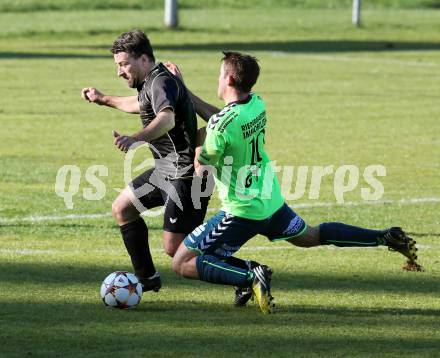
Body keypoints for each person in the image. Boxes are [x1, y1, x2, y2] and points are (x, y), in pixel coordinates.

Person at [165, 52, 421, 314]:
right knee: (310, 236)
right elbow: (222, 117)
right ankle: (385, 237)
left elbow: (203, 168)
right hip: (271, 202)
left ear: (229, 79)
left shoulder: (220, 126)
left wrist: (197, 149)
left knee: (183, 261)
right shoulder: (256, 104)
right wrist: (185, 92)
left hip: (241, 212)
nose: (217, 80)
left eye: (219, 75)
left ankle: (250, 276)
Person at [80, 29, 211, 293]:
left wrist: (136, 138)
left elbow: (166, 118)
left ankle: (244, 273)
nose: (120, 72)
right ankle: (146, 278)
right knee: (123, 209)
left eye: (123, 64)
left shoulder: (160, 82)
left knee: (176, 250)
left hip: (186, 176)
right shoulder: (151, 82)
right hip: (165, 171)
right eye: (117, 65)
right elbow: (139, 104)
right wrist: (103, 99)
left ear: (143, 59)